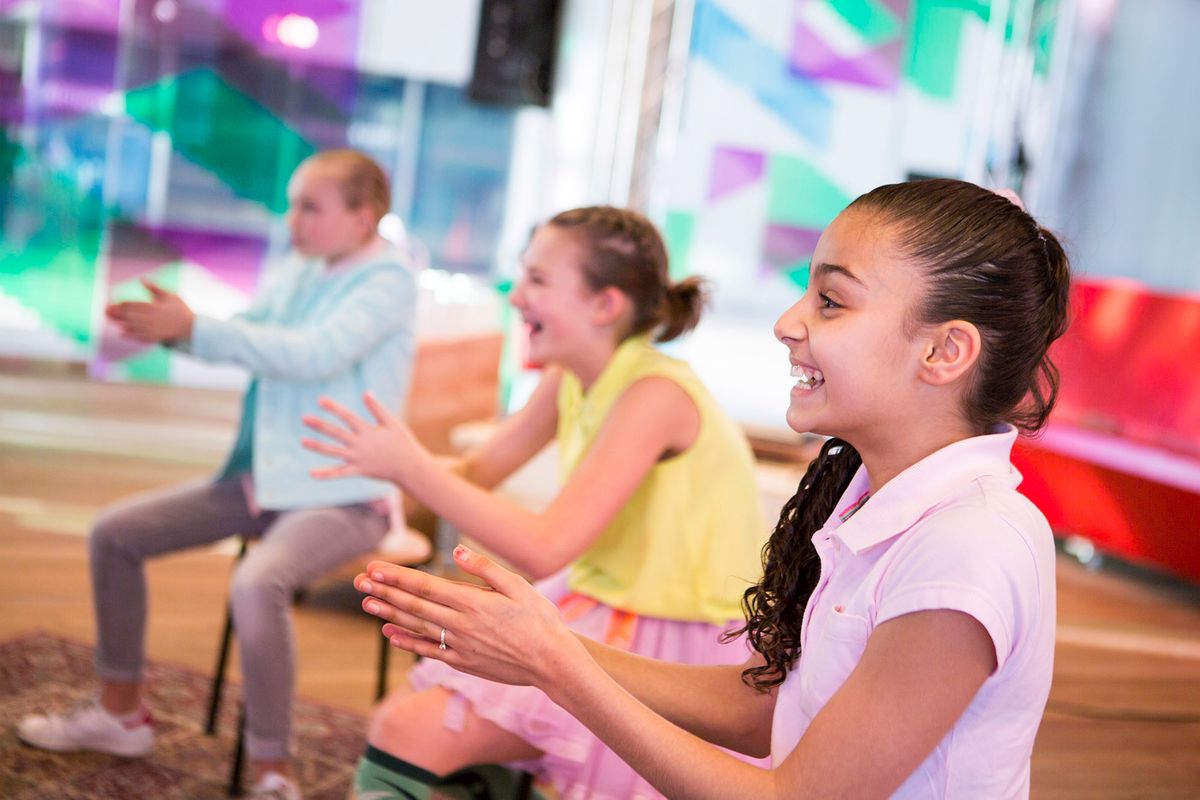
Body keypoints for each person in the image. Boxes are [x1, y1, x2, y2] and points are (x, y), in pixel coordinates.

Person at [349, 179, 1072, 799]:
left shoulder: (968, 545)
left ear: (945, 351)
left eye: (830, 301)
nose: (788, 324)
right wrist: (541, 648)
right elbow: (764, 708)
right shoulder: (867, 497)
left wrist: (553, 663)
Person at [301, 206, 768, 799]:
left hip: (676, 635)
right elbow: (477, 471)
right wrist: (377, 476)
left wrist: (410, 465)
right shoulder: (571, 376)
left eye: (538, 279)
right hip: (603, 599)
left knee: (407, 730)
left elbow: (546, 547)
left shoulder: (655, 394)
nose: (516, 295)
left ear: (605, 305)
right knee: (415, 725)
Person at [17, 149, 421, 800]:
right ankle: (120, 715)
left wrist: (196, 329)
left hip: (345, 494)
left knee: (257, 584)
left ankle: (272, 772)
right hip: (266, 480)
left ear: (363, 217)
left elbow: (312, 354)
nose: (293, 220)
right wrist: (177, 330)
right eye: (291, 205)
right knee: (115, 534)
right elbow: (251, 333)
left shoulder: (389, 280)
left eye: (309, 208)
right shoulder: (305, 266)